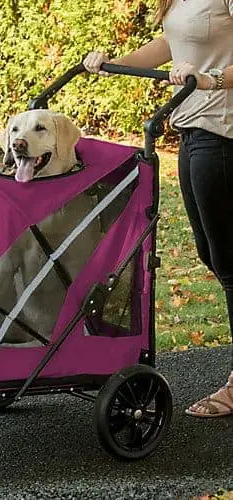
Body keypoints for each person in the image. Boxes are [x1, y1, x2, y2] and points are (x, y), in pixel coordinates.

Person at [83, 0, 233, 417]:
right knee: (214, 257)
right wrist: (111, 63)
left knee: (230, 264)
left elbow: (211, 67)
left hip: (224, 135)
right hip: (192, 131)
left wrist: (211, 78)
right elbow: (172, 41)